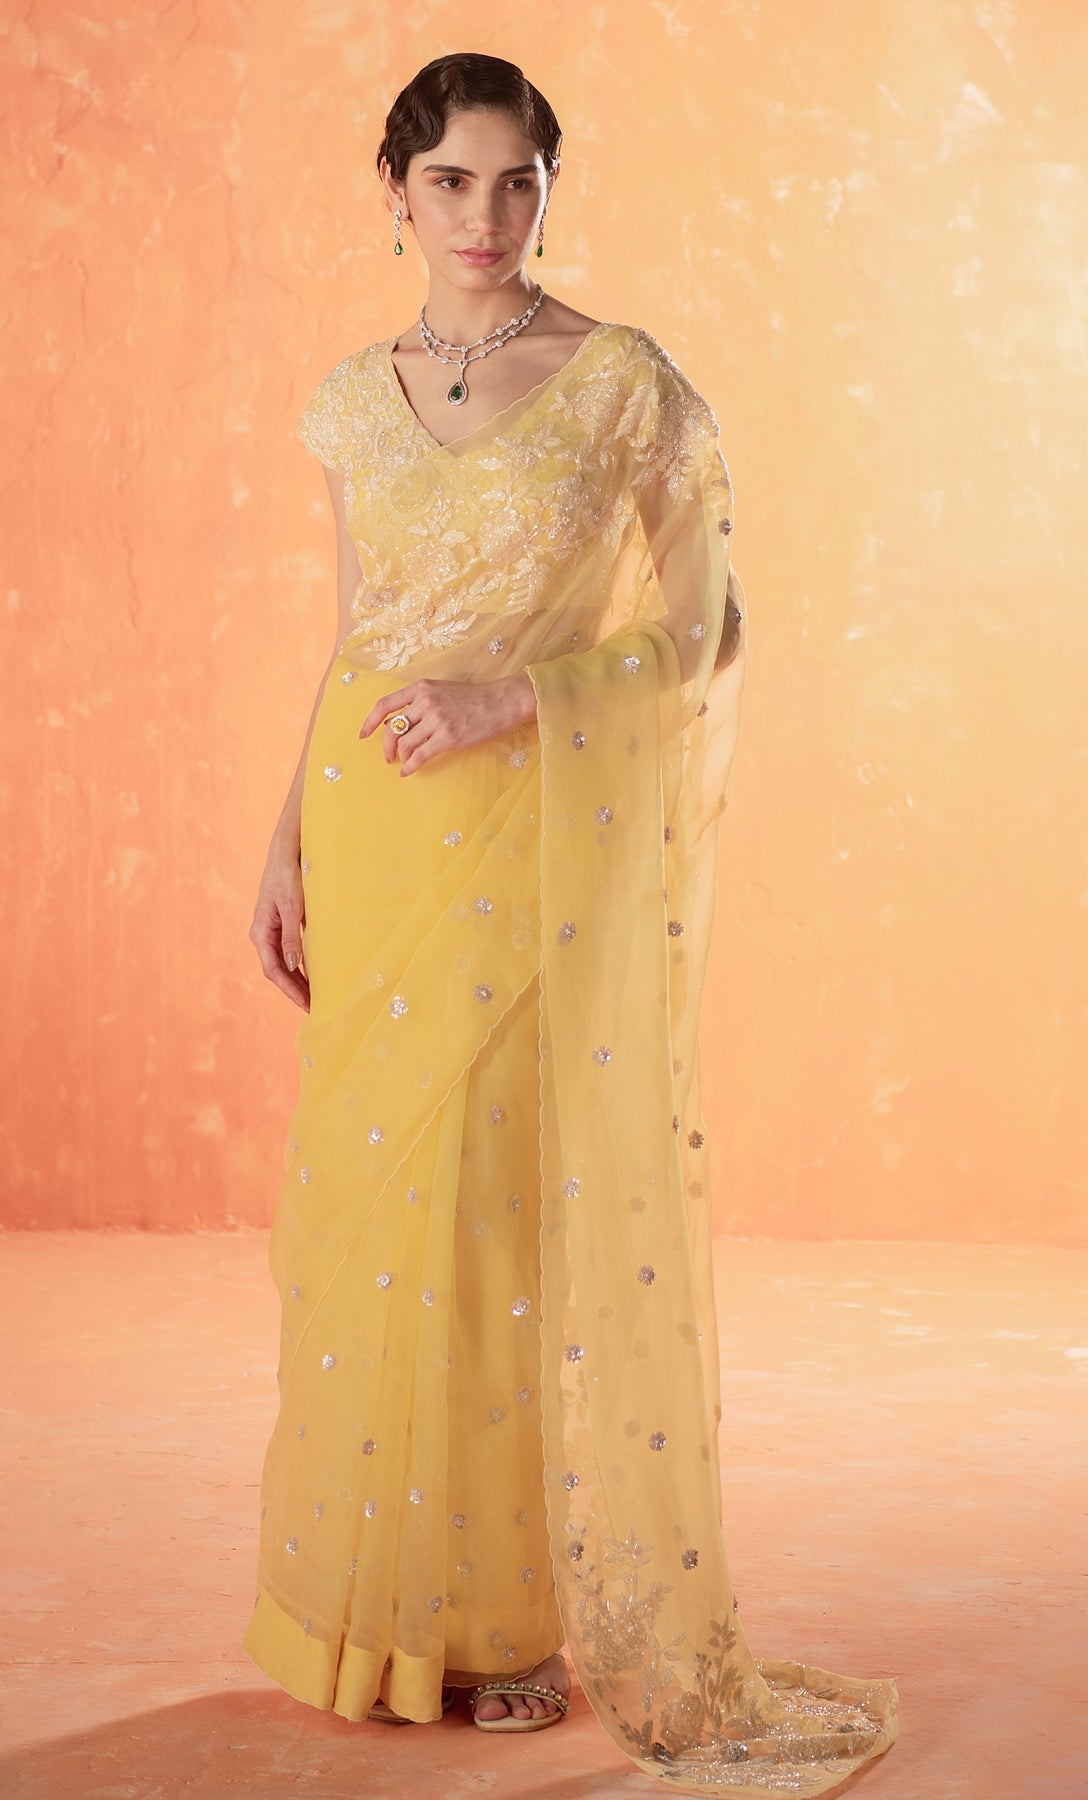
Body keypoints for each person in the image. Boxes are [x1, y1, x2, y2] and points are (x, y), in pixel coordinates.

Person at [243, 50, 900, 1790]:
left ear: (550, 186)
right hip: (374, 836)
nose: (485, 215)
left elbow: (709, 627)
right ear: (395, 194)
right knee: (368, 1223)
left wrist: (519, 700)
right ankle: (377, 1617)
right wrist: (287, 837)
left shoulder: (622, 387)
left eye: (517, 180)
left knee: (495, 1225)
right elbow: (358, 631)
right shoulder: (352, 400)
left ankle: (511, 1620)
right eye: (450, 182)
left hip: (530, 845)